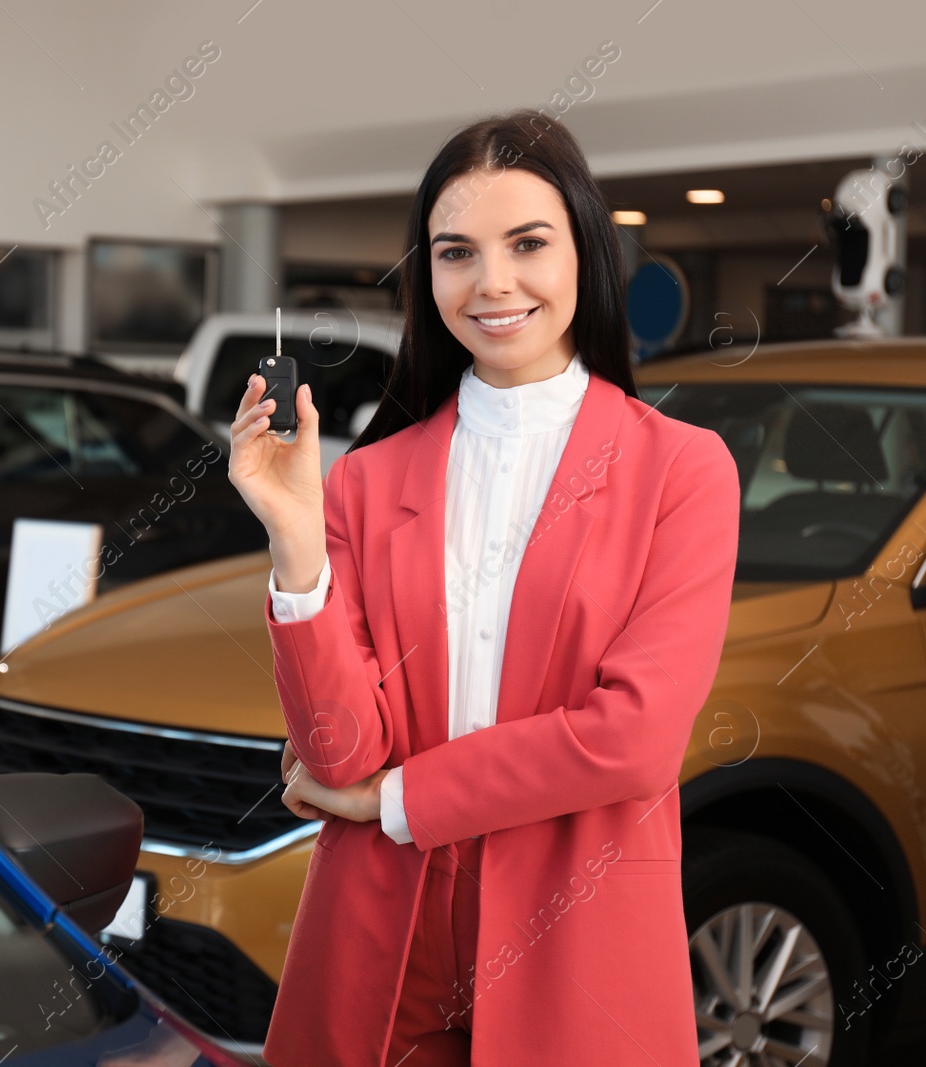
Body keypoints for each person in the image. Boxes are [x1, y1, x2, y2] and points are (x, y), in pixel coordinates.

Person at [227, 108, 739, 1066]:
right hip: (380, 936)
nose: (492, 282)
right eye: (456, 251)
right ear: (428, 275)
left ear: (585, 252)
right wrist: (297, 548)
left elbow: (632, 737)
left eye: (528, 243)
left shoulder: (683, 471)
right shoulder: (366, 481)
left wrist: (397, 800)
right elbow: (338, 756)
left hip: (574, 934)